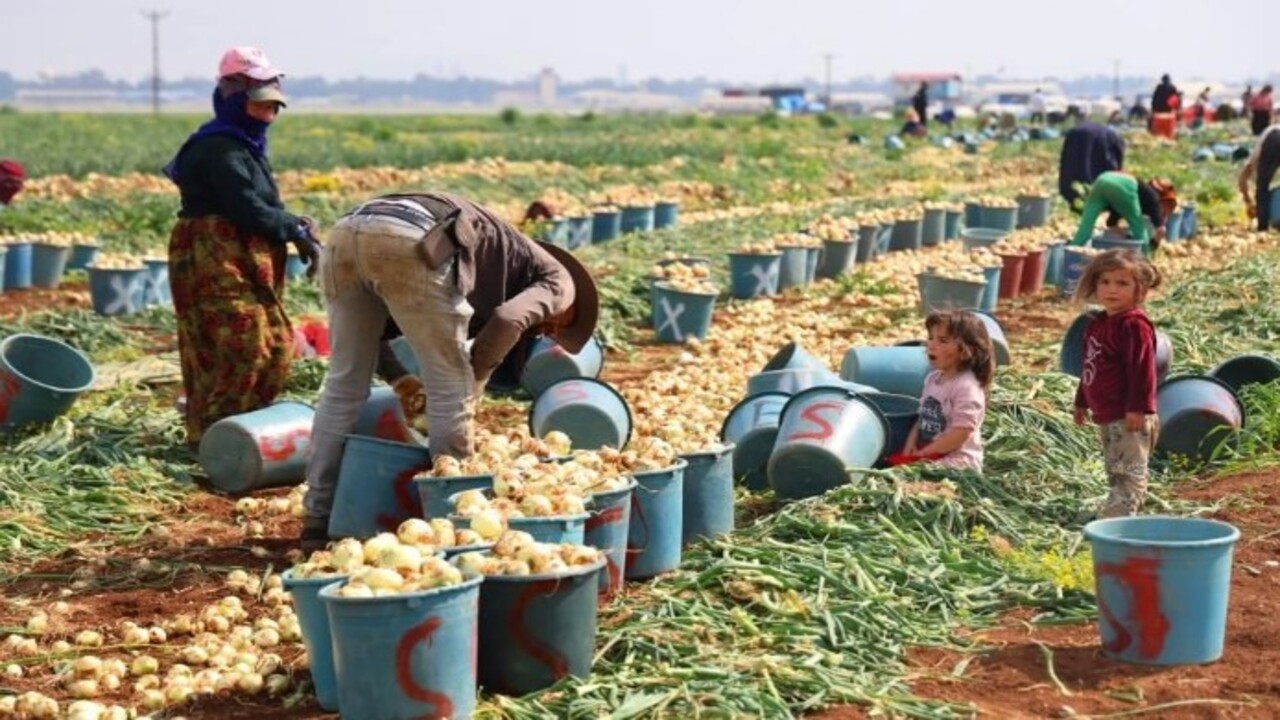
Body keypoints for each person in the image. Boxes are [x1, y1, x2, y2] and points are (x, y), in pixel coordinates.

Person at [300, 191, 599, 548]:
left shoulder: (507, 264)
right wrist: (474, 382)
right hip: (412, 236)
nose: (550, 331)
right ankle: (454, 525)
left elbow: (374, 335)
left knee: (343, 387)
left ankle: (317, 517)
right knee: (450, 388)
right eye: (560, 325)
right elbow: (508, 320)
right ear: (574, 303)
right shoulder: (561, 282)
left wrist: (401, 380)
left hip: (347, 232)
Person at [164, 47, 321, 449]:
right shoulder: (219, 148)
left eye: (273, 107)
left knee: (272, 342)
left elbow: (263, 204)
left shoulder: (246, 146)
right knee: (242, 342)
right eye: (260, 105)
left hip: (242, 256)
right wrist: (293, 229)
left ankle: (239, 434)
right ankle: (220, 436)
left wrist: (297, 229)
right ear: (233, 97)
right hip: (214, 257)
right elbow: (246, 206)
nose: (268, 114)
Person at [1072, 249, 1162, 518]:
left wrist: (1137, 408)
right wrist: (1081, 401)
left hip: (1128, 415)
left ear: (1141, 291)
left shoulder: (1133, 326)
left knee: (1130, 469)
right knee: (1115, 466)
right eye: (1105, 282)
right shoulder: (1098, 323)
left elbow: (1142, 370)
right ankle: (1122, 509)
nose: (1112, 289)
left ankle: (1121, 519)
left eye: (1122, 283)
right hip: (1108, 413)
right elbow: (1090, 365)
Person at [892, 310, 995, 472]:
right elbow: (922, 418)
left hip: (959, 462)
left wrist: (924, 454)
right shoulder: (932, 379)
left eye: (943, 341)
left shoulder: (966, 387)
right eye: (931, 338)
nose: (931, 345)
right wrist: (909, 449)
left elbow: (961, 433)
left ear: (967, 351)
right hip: (930, 455)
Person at [1070, 172, 1176, 253]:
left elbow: (1111, 224)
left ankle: (1069, 256)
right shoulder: (1154, 200)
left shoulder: (1130, 201)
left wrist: (1125, 235)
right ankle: (1145, 261)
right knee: (1138, 228)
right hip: (1125, 184)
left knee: (1085, 227)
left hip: (1102, 179)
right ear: (1164, 200)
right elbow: (1161, 230)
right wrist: (1154, 244)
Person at [1058, 121, 1126, 209]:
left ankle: (1077, 202)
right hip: (1099, 170)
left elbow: (1065, 157)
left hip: (1076, 154)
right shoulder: (1112, 135)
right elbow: (1119, 154)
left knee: (1077, 175)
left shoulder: (1074, 132)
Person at [1239, 121, 1280, 231]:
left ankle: (1263, 225)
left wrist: (1249, 202)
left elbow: (1242, 179)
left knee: (1262, 186)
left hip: (1274, 139)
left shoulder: (1253, 160)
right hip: (1273, 137)